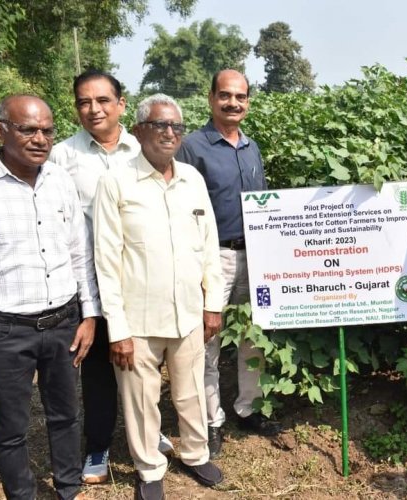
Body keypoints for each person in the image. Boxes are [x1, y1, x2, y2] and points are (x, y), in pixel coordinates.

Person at [0, 94, 99, 499]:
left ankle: (68, 487)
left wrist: (88, 315)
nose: (40, 139)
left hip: (62, 323)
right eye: (28, 129)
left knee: (66, 414)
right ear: (1, 130)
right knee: (11, 425)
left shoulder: (60, 181)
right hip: (2, 330)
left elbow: (79, 254)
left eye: (47, 130)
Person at [94, 94, 224, 500]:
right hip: (138, 319)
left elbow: (208, 247)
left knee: (190, 391)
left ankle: (196, 452)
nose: (169, 133)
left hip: (188, 311)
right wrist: (117, 328)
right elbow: (106, 259)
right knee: (141, 398)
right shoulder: (116, 182)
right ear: (138, 131)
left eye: (176, 127)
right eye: (159, 125)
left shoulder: (192, 180)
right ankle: (150, 468)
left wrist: (212, 304)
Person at [50, 68, 174, 484]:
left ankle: (150, 434)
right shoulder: (63, 156)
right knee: (102, 366)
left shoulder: (143, 148)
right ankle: (98, 446)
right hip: (90, 277)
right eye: (84, 102)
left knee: (147, 361)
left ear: (121, 104)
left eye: (103, 100)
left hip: (141, 275)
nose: (94, 109)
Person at [176, 69, 281, 455]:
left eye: (240, 97)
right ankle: (211, 419)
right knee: (209, 339)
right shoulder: (192, 147)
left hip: (255, 254)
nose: (232, 103)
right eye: (225, 96)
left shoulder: (251, 147)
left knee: (255, 337)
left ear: (248, 102)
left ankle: (248, 408)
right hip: (213, 255)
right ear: (211, 98)